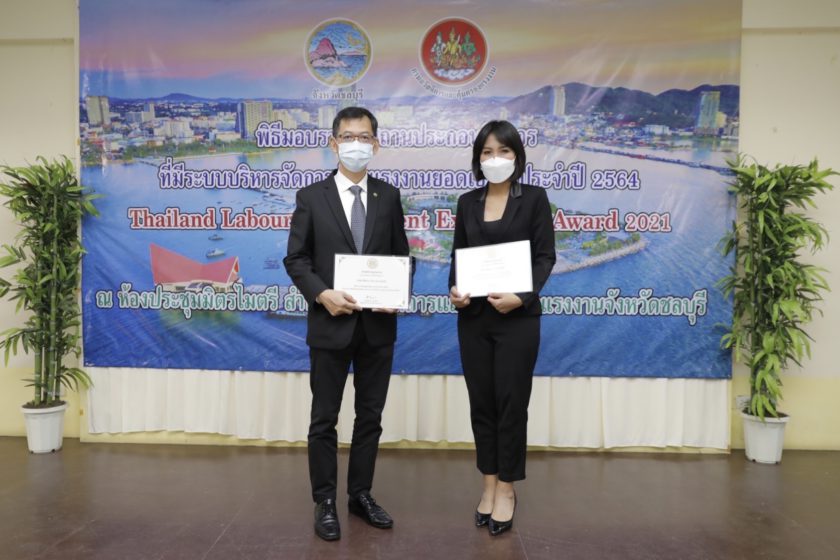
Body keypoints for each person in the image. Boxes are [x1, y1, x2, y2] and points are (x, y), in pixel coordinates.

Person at [284, 106, 409, 541]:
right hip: (330, 325)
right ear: (334, 143)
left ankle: (360, 495)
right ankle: (324, 500)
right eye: (349, 137)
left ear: (376, 144)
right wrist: (323, 294)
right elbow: (296, 259)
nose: (357, 144)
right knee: (324, 418)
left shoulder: (389, 196)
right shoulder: (311, 197)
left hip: (377, 329)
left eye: (365, 137)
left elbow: (401, 257)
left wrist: (397, 293)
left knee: (369, 417)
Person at [448, 120, 556, 536]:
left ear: (517, 156)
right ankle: (488, 484)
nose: (496, 159)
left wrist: (521, 296)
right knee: (482, 405)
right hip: (474, 320)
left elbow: (544, 257)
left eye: (504, 151)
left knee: (511, 405)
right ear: (478, 159)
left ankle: (508, 489)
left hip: (517, 321)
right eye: (488, 152)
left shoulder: (534, 199)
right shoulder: (467, 202)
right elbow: (458, 257)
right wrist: (455, 291)